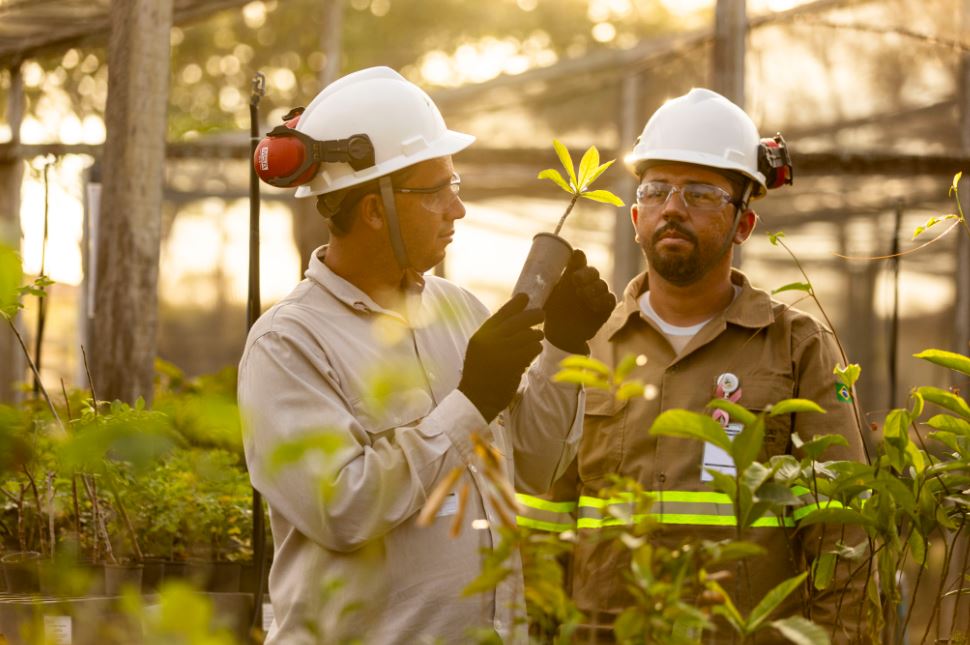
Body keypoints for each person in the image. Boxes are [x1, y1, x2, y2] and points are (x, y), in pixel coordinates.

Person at [237, 66, 615, 645]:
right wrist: (468, 402)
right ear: (372, 209)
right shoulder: (289, 345)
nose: (456, 209)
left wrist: (563, 348)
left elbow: (535, 469)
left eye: (454, 185)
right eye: (436, 191)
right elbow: (343, 509)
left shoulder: (459, 311)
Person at [550, 88, 867, 643]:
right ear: (635, 216)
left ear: (744, 225)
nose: (672, 208)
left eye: (700, 193)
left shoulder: (798, 347)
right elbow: (542, 520)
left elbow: (843, 538)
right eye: (656, 190)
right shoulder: (583, 344)